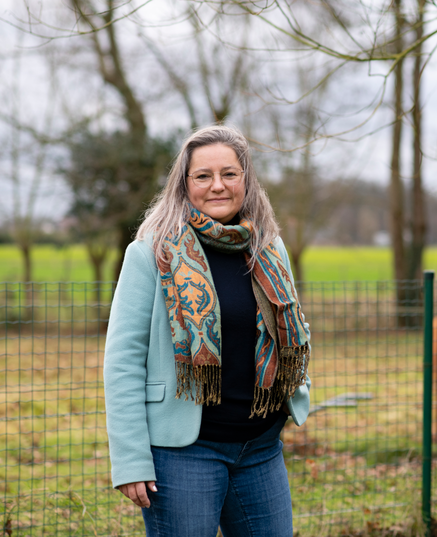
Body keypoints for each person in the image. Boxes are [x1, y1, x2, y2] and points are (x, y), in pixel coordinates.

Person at [103, 125, 311, 537]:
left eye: (229, 174)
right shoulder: (151, 253)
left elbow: (293, 329)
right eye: (203, 176)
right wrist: (130, 460)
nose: (217, 186)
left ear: (246, 181)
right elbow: (123, 361)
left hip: (261, 448)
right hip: (183, 454)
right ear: (184, 184)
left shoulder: (270, 248)